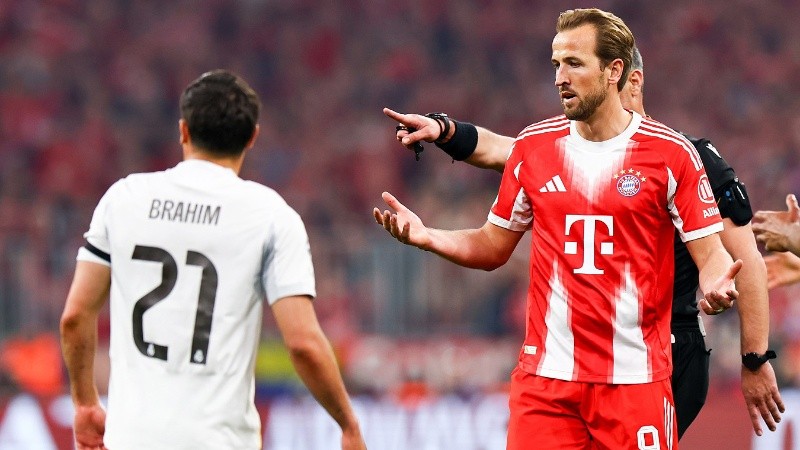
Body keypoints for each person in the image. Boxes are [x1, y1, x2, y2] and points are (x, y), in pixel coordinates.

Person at [375, 8, 744, 449]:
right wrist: (429, 236)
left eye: (574, 63)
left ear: (614, 71)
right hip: (547, 383)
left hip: (634, 380)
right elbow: (493, 246)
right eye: (556, 64)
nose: (560, 77)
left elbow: (712, 253)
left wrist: (718, 281)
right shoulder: (535, 146)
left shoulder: (672, 154)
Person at [60, 70, 366, 450]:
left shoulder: (123, 199)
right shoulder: (270, 216)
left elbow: (75, 317)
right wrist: (348, 424)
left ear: (183, 131)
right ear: (252, 137)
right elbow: (303, 343)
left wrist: (86, 404)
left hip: (129, 440)